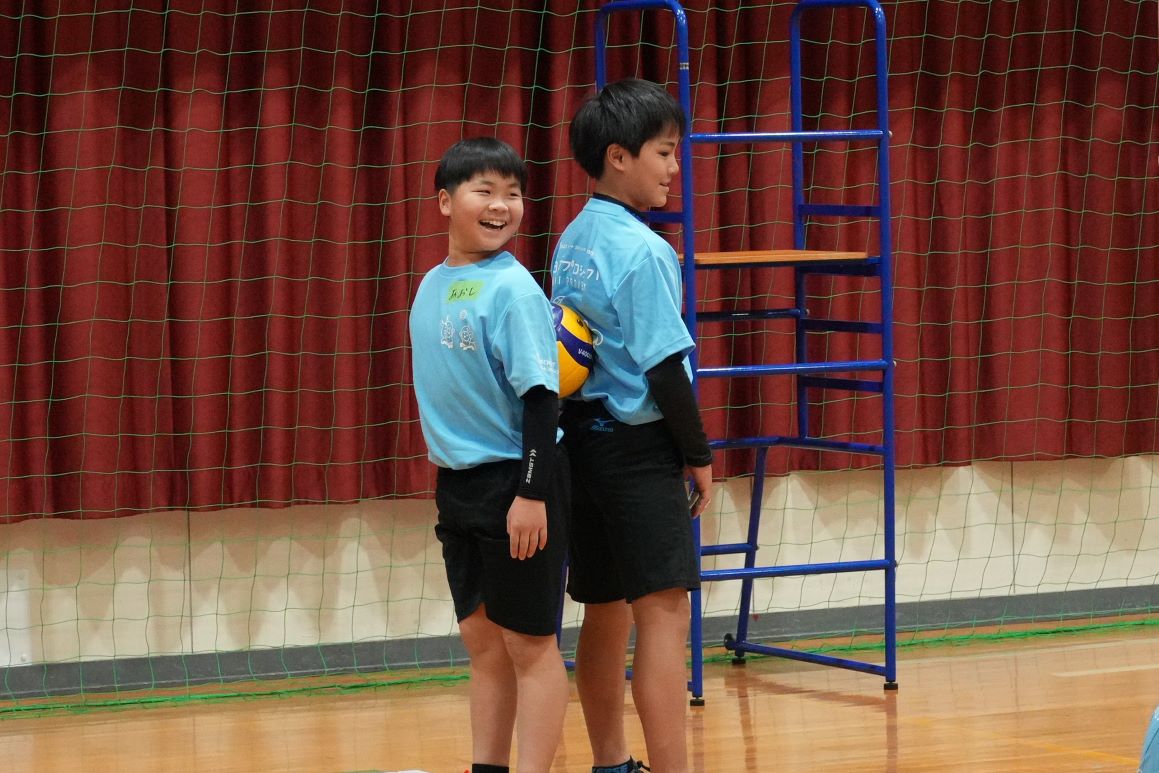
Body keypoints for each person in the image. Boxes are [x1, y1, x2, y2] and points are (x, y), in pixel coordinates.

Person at [550, 78, 713, 773]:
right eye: (664, 152)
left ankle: (612, 764)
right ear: (618, 156)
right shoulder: (645, 252)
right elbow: (666, 369)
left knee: (604, 609)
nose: (675, 167)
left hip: (581, 444)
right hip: (638, 450)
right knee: (663, 617)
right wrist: (697, 453)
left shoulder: (572, 237)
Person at [409, 137, 569, 773]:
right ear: (446, 202)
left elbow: (543, 401)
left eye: (514, 193)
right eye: (486, 191)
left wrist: (531, 493)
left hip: (517, 485)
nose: (503, 205)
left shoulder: (515, 290)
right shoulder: (432, 284)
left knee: (531, 644)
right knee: (482, 643)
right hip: (459, 488)